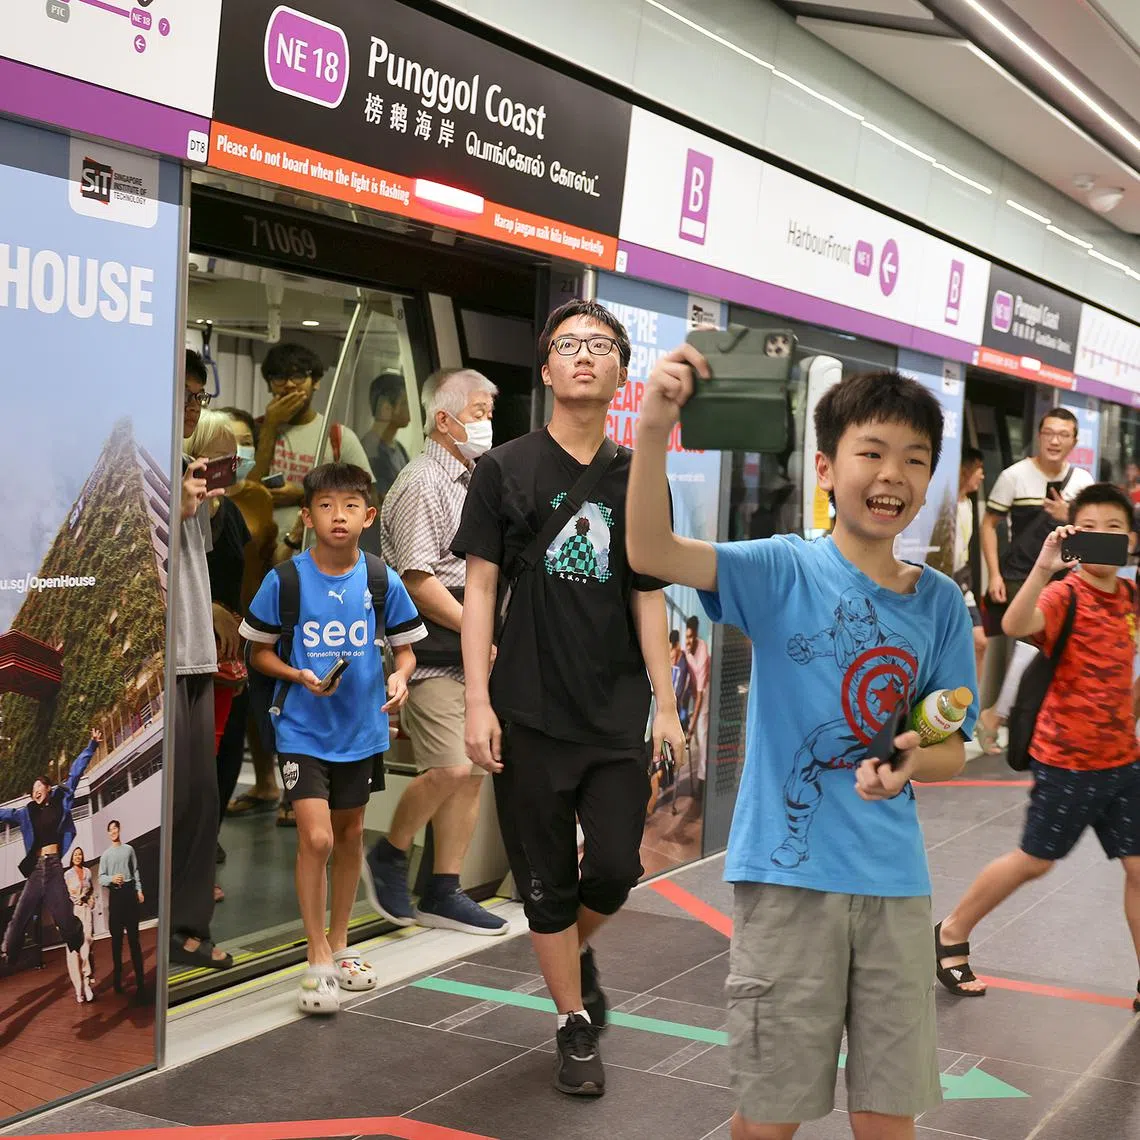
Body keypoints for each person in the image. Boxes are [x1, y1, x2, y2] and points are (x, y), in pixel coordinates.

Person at [627, 356, 978, 1140]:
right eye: (873, 452)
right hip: (786, 883)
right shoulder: (783, 568)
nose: (893, 476)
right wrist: (653, 429)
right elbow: (651, 552)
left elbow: (956, 743)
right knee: (771, 1113)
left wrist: (917, 761)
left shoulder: (941, 602)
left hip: (894, 884)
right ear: (825, 466)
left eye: (916, 461)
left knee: (889, 1114)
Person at [455, 299, 685, 1098]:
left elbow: (649, 594)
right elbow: (479, 587)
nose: (584, 356)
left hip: (615, 709)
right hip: (528, 708)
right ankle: (571, 1022)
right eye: (569, 345)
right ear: (547, 367)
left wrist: (666, 702)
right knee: (545, 879)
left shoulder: (636, 478)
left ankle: (567, 947)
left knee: (616, 868)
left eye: (601, 346)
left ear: (621, 372)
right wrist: (477, 702)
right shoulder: (504, 470)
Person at [935, 483, 1140, 1008]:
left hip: (1123, 761)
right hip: (1068, 762)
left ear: (1131, 540)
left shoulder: (1133, 598)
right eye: (1087, 528)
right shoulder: (1063, 592)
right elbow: (1013, 624)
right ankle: (951, 931)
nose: (1102, 537)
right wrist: (1046, 566)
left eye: (1113, 529)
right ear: (1073, 538)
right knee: (1034, 860)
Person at [240, 462, 425, 1015]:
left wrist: (400, 676)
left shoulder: (379, 579)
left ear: (368, 517)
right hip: (301, 728)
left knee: (350, 836)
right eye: (325, 506)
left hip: (363, 731)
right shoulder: (287, 580)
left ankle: (342, 943)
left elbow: (406, 647)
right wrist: (297, 675)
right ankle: (316, 952)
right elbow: (259, 651)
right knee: (316, 839)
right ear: (307, 516)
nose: (337, 516)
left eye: (349, 506)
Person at [364, 368, 507, 936]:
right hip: (430, 651)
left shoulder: (474, 478)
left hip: (472, 648)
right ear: (444, 420)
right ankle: (390, 854)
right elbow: (417, 581)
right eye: (478, 411)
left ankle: (443, 888)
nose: (487, 422)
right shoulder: (423, 482)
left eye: (489, 411)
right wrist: (478, 628)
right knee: (448, 766)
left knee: (472, 771)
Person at [976, 409, 1092, 752]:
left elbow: (1089, 537)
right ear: (1039, 436)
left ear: (1074, 441)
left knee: (1047, 654)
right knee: (1031, 648)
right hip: (1019, 577)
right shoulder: (1014, 476)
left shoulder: (1083, 482)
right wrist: (994, 573)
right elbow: (988, 524)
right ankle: (995, 717)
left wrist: (1068, 515)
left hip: (1065, 579)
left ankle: (1011, 717)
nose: (1055, 440)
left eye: (1063, 434)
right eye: (1049, 433)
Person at [172, 350, 233, 970]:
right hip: (158, 659)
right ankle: (163, 923)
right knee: (177, 798)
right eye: (185, 395)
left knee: (199, 798)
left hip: (193, 650)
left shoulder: (189, 466)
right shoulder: (138, 459)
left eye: (198, 397)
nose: (193, 407)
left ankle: (187, 923)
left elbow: (196, 558)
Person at [247, 342, 374, 558]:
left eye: (297, 377)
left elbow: (368, 499)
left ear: (315, 382)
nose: (288, 385)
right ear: (269, 385)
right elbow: (245, 492)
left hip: (320, 556)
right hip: (258, 555)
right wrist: (270, 426)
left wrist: (302, 495)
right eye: (278, 377)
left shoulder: (338, 437)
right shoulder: (250, 431)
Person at [0, 732, 101, 970]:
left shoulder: (61, 800)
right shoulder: (27, 812)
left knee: (65, 918)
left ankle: (79, 943)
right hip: (36, 870)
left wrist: (92, 744)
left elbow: (76, 772)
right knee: (20, 915)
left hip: (54, 867)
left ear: (47, 788)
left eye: (38, 786)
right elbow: (4, 814)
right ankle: (8, 955)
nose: (35, 790)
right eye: (32, 788)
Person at [99, 820, 147, 1002]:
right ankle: (118, 980)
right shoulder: (105, 855)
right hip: (116, 897)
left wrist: (139, 890)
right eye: (110, 829)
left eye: (115, 828)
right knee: (116, 942)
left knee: (134, 940)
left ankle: (141, 981)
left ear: (119, 830)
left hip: (129, 894)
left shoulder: (129, 850)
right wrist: (112, 878)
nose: (113, 832)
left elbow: (135, 871)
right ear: (108, 833)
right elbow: (101, 878)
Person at [955, 446, 988, 686]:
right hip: (945, 582)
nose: (982, 476)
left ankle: (969, 707)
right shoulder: (940, 503)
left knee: (980, 641)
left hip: (961, 583)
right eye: (979, 469)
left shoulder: (966, 503)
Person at [360, 370, 411, 499]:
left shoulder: (398, 448)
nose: (410, 409)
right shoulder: (370, 451)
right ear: (386, 408)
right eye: (405, 402)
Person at [684, 615, 711, 801]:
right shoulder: (686, 648)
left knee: (702, 733)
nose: (689, 641)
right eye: (687, 637)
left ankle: (702, 781)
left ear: (696, 636)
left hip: (705, 692)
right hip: (695, 690)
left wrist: (691, 727)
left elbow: (701, 696)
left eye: (692, 637)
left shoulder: (702, 653)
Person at [64, 847, 96, 1004]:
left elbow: (91, 891)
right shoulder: (67, 874)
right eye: (75, 854)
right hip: (72, 914)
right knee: (74, 952)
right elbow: (63, 897)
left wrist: (90, 901)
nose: (78, 856)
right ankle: (78, 989)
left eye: (80, 854)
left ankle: (87, 982)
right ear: (72, 857)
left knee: (86, 946)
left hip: (85, 912)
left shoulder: (88, 872)